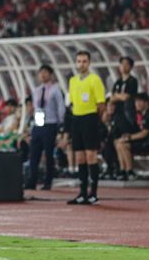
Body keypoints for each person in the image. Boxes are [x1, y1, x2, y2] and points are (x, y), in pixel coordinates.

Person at [67, 51, 106, 205]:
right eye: (79, 61)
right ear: (76, 63)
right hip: (77, 118)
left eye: (84, 61)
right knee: (80, 157)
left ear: (89, 63)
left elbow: (101, 104)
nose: (81, 64)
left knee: (91, 155)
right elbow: (72, 102)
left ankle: (93, 193)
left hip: (90, 118)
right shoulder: (73, 81)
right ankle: (82, 193)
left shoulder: (95, 80)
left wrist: (96, 119)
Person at [26, 65, 66, 190]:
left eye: (45, 73)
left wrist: (60, 124)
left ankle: (48, 181)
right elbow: (36, 107)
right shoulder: (36, 90)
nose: (42, 75)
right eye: (40, 73)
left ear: (50, 75)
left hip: (50, 123)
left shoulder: (55, 89)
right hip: (38, 122)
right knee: (34, 154)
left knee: (49, 153)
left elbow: (60, 107)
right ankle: (31, 180)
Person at [109, 56, 139, 178]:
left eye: (126, 64)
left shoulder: (132, 81)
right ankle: (122, 168)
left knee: (125, 141)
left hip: (127, 115)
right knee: (117, 142)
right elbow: (112, 97)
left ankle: (129, 169)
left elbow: (127, 97)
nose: (123, 67)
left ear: (130, 67)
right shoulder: (118, 82)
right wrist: (117, 96)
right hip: (117, 115)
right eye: (122, 64)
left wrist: (118, 96)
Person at [115, 92, 149, 178]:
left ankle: (130, 171)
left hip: (146, 142)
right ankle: (123, 170)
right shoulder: (140, 115)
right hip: (142, 140)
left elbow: (145, 133)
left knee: (124, 145)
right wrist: (127, 136)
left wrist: (129, 137)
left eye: (139, 101)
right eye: (135, 102)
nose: (136, 104)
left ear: (146, 103)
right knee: (118, 143)